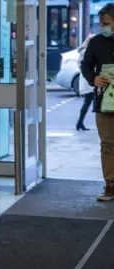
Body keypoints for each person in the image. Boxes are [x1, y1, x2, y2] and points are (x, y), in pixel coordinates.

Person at [80, 3, 114, 201]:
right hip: (105, 101)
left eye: (106, 23)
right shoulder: (96, 42)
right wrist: (93, 79)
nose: (103, 27)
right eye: (101, 24)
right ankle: (110, 184)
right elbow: (85, 65)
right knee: (108, 144)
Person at [76, 34, 95, 131]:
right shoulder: (86, 52)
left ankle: (79, 123)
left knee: (88, 102)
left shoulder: (87, 51)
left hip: (89, 80)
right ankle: (79, 123)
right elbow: (81, 66)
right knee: (89, 101)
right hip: (88, 80)